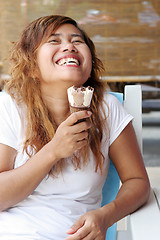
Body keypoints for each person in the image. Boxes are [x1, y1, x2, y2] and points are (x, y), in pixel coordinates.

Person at [0, 15, 150, 240]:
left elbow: (137, 182)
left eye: (77, 41)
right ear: (31, 66)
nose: (68, 46)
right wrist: (54, 150)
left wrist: (106, 216)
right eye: (54, 41)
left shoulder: (107, 109)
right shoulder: (11, 106)